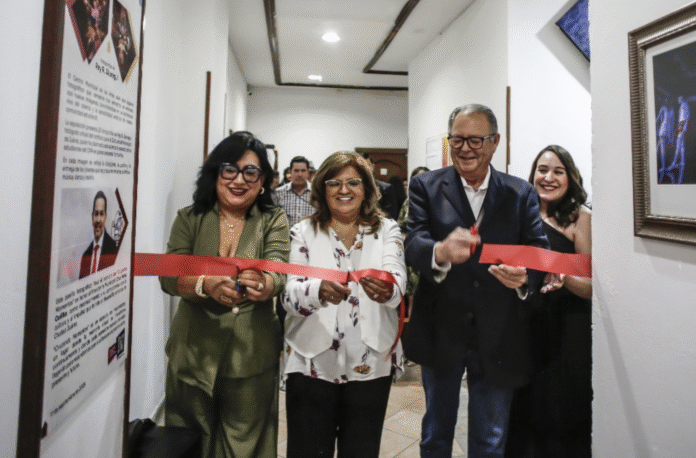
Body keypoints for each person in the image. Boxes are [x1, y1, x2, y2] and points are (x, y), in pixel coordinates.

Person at [403, 104, 549, 458]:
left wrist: (524, 276)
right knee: (436, 433)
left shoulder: (520, 193)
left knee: (490, 440)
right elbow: (413, 242)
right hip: (441, 328)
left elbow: (539, 250)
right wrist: (440, 250)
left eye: (475, 140)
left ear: (494, 141)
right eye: (457, 140)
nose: (465, 148)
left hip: (498, 333)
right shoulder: (425, 186)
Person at [159, 131, 290, 458]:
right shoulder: (189, 218)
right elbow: (169, 275)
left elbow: (278, 269)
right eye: (230, 169)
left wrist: (264, 284)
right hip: (192, 353)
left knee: (244, 445)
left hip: (252, 354)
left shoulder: (273, 220)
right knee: (188, 443)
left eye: (251, 172)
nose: (239, 180)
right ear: (215, 173)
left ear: (263, 181)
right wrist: (205, 284)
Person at [280, 151, 407, 458]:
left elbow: (398, 280)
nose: (344, 190)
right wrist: (318, 290)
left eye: (353, 182)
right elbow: (289, 296)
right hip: (311, 363)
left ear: (367, 188)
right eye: (334, 183)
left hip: (370, 362)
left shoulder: (387, 230)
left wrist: (387, 290)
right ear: (322, 188)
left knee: (361, 451)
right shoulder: (303, 232)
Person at [505, 145, 592, 458]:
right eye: (542, 170)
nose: (549, 177)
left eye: (558, 171)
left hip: (567, 332)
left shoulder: (580, 219)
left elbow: (590, 286)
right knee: (523, 413)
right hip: (525, 328)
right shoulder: (520, 216)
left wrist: (564, 275)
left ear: (570, 177)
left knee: (560, 415)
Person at [397, 167, 430, 319]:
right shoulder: (409, 203)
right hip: (413, 258)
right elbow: (399, 228)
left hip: (433, 256)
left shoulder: (440, 200)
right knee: (413, 299)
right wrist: (406, 237)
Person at [79, 190, 118, 278]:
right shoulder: (85, 256)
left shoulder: (114, 249)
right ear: (92, 217)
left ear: (105, 217)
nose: (98, 220)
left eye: (101, 214)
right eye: (96, 214)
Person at [273, 156, 314, 227]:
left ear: (308, 172)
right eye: (296, 171)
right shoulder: (278, 193)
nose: (299, 174)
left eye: (303, 171)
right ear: (290, 172)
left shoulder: (317, 193)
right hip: (285, 234)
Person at [360, 152, 400, 220]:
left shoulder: (386, 188)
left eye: (368, 165)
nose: (365, 169)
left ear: (373, 166)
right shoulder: (352, 188)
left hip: (380, 223)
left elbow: (391, 215)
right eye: (362, 166)